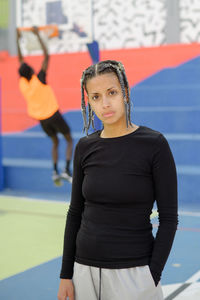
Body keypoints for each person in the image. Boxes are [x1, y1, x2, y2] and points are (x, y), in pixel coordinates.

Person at [57, 60, 178, 300]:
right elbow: (75, 212)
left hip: (135, 274)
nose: (105, 103)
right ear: (88, 102)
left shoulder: (154, 145)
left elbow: (169, 218)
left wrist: (152, 274)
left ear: (125, 92)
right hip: (84, 271)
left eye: (111, 92)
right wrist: (66, 275)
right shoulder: (85, 147)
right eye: (96, 97)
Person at [16, 26, 73, 185]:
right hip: (53, 114)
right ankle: (66, 170)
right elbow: (46, 56)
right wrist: (38, 36)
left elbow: (20, 61)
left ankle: (54, 171)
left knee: (55, 142)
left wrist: (17, 38)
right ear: (32, 71)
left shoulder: (23, 84)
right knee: (69, 139)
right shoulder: (39, 78)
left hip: (41, 119)